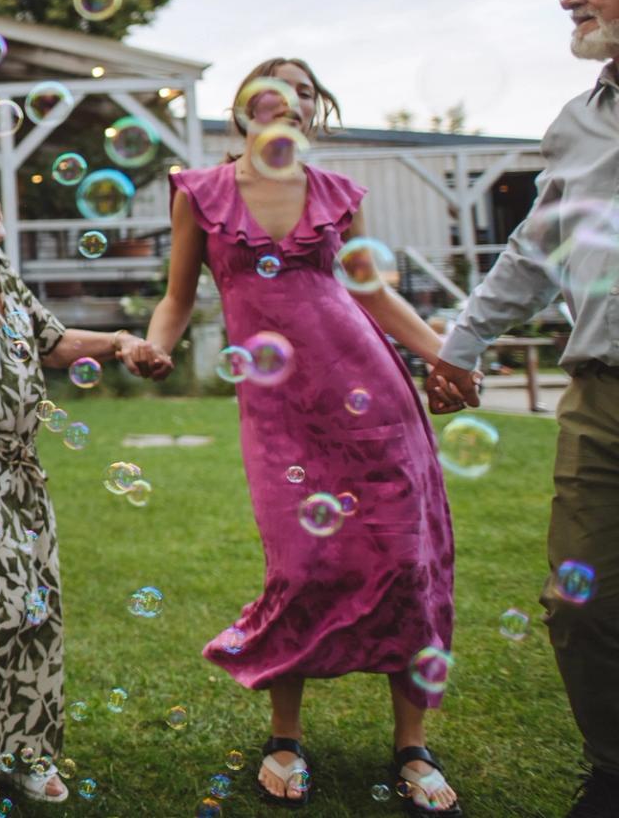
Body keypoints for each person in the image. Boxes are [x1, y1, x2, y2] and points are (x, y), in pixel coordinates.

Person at [142, 57, 462, 813]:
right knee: (303, 565)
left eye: (305, 89)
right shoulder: (201, 192)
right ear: (243, 109)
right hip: (281, 412)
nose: (289, 98)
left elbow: (372, 292)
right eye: (272, 87)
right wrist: (159, 343)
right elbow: (178, 297)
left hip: (372, 396)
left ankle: (412, 747)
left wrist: (443, 355)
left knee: (405, 558)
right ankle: (285, 737)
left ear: (316, 111)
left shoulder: (338, 195)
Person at [0, 145, 168, 807]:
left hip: (22, 472)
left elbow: (50, 340)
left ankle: (24, 751)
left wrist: (118, 342)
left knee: (33, 613)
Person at [425, 0, 619, 818]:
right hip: (602, 391)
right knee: (581, 601)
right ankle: (615, 768)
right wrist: (462, 343)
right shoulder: (576, 125)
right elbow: (534, 253)